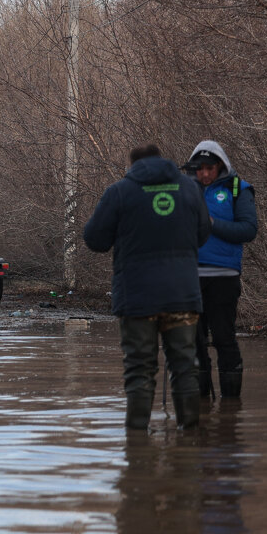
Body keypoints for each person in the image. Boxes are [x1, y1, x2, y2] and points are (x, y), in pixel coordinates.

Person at [83, 144, 211, 429]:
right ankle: (188, 443)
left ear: (133, 165)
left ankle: (137, 448)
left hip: (137, 298)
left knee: (139, 370)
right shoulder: (190, 189)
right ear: (161, 159)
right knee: (185, 367)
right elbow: (203, 235)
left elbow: (94, 240)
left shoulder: (119, 192)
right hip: (182, 294)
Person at [185, 140, 258, 399]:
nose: (205, 174)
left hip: (224, 277)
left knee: (224, 339)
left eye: (210, 168)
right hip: (189, 279)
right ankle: (201, 407)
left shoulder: (238, 189)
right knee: (194, 344)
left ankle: (230, 408)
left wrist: (211, 222)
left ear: (220, 166)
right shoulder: (183, 191)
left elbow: (249, 230)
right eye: (200, 168)